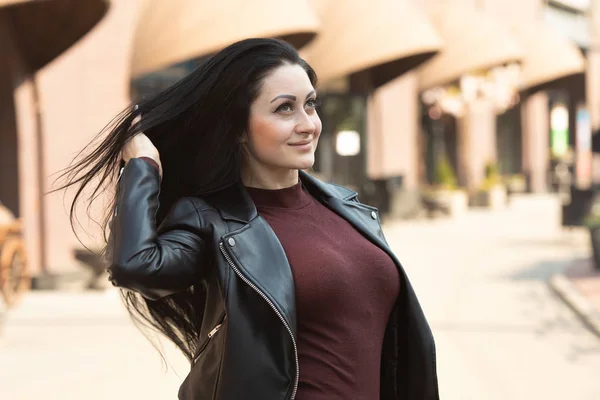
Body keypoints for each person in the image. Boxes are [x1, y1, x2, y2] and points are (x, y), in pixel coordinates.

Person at [59, 38, 439, 400]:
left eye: (311, 104)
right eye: (284, 108)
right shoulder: (215, 222)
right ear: (239, 127)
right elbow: (136, 266)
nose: (308, 123)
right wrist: (143, 165)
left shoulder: (346, 206)